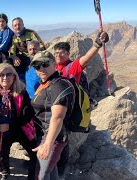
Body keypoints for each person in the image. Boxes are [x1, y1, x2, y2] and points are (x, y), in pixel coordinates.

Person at [53, 30, 109, 178]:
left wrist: (97, 44)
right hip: (53, 110)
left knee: (62, 142)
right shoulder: (52, 67)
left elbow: (85, 59)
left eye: (62, 53)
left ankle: (60, 172)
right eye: (56, 53)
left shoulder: (72, 67)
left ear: (68, 53)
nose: (58, 55)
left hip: (67, 113)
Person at [0, 63, 37, 180]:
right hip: (1, 128)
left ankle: (32, 176)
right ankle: (5, 172)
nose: (5, 77)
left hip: (20, 127)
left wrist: (10, 125)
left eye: (8, 74)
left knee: (34, 153)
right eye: (1, 74)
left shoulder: (21, 91)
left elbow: (28, 114)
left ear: (14, 77)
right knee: (2, 153)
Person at [30, 51, 75, 180]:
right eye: (37, 66)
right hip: (46, 135)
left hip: (53, 137)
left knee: (41, 174)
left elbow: (58, 117)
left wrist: (48, 145)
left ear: (54, 64)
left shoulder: (58, 85)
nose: (41, 69)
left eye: (45, 64)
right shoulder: (47, 83)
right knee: (50, 171)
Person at [10, 17, 45, 82]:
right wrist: (14, 57)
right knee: (15, 62)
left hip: (34, 56)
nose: (18, 27)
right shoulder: (13, 37)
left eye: (19, 24)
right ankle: (22, 81)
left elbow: (41, 45)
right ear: (13, 27)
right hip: (24, 57)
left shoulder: (31, 33)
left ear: (23, 25)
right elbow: (12, 50)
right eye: (15, 25)